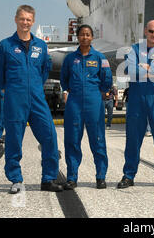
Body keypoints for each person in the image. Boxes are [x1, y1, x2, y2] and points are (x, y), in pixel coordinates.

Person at [0, 4, 63, 194]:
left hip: (37, 98)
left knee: (50, 136)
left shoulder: (41, 45)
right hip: (15, 99)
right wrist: (8, 91)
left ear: (33, 22)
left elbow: (45, 69)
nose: (25, 22)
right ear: (16, 19)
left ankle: (48, 179)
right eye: (22, 19)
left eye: (29, 20)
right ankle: (15, 179)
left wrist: (35, 88)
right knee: (14, 139)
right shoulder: (5, 45)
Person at [117, 20, 154, 189]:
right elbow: (131, 71)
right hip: (137, 99)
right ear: (145, 31)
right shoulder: (134, 50)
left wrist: (146, 69)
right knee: (133, 138)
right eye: (151, 31)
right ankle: (128, 175)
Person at [60, 24, 113, 190]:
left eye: (88, 34)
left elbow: (107, 79)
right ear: (78, 37)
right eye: (82, 34)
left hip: (94, 101)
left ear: (92, 37)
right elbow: (64, 79)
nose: (85, 37)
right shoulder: (69, 59)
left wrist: (102, 92)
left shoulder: (99, 57)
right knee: (72, 140)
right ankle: (72, 177)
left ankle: (100, 177)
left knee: (97, 139)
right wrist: (71, 90)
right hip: (74, 102)